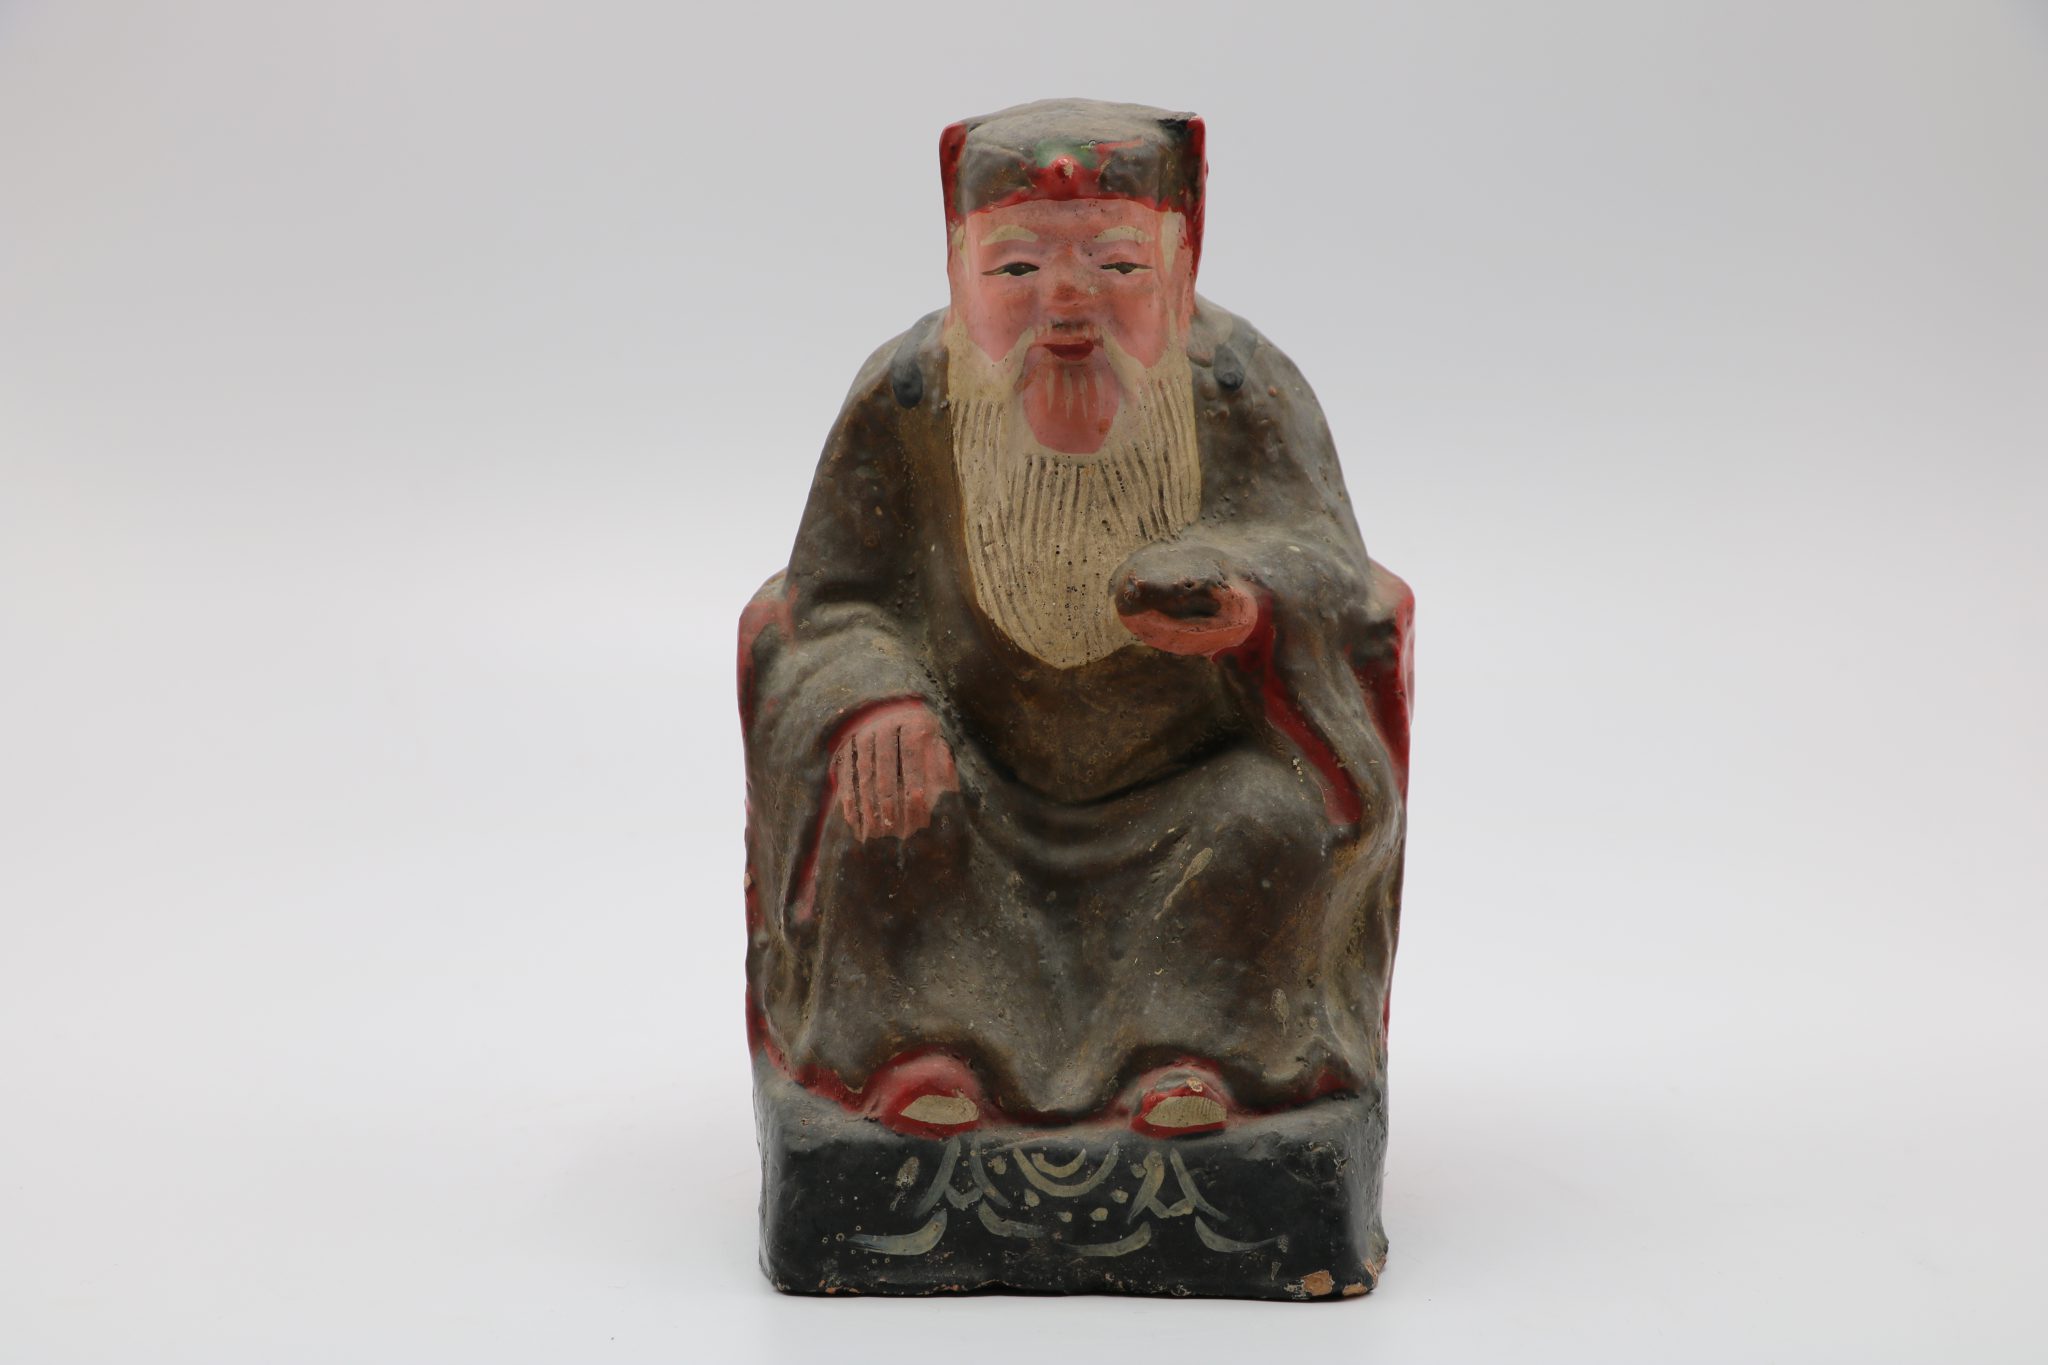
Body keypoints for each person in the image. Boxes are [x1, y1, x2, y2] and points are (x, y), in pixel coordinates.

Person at [739, 99, 1413, 1143]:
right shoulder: (906, 400)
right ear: (959, 268)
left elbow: (1332, 566)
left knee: (1269, 820)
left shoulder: (1240, 389)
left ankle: (1193, 1054)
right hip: (971, 772)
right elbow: (827, 600)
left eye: (1116, 265)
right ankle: (923, 1050)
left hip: (1186, 779)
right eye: (1016, 268)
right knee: (886, 806)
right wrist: (875, 699)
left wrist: (1249, 601)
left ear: (1179, 266)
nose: (1066, 303)